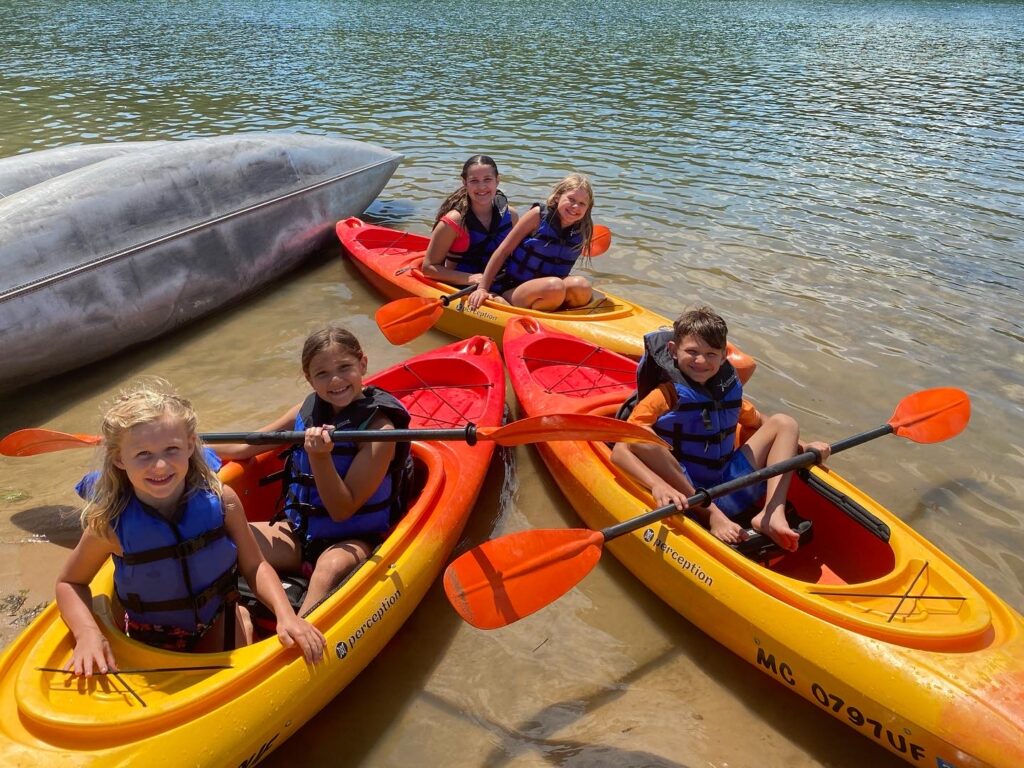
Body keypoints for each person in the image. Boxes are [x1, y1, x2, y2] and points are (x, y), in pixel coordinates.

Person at [56, 382, 326, 677]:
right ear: (119, 459)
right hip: (155, 639)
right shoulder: (110, 524)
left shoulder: (222, 501)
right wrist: (88, 635)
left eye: (171, 449)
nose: (160, 466)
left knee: (239, 637)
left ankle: (245, 619)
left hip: (218, 620)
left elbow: (255, 564)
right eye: (143, 454)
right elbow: (70, 583)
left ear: (190, 446)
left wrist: (285, 615)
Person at [216, 326, 412, 617]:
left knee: (328, 569)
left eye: (345, 367)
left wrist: (320, 458)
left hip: (352, 539)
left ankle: (301, 631)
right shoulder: (306, 410)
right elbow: (248, 444)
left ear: (363, 364)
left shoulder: (380, 431)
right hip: (297, 533)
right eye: (322, 373)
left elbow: (342, 510)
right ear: (308, 378)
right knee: (224, 538)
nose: (335, 380)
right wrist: (189, 448)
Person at [610, 306, 831, 552]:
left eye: (711, 353)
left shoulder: (727, 395)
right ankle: (712, 517)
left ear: (724, 355)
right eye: (692, 352)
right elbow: (621, 449)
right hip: (689, 497)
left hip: (728, 484)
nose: (701, 361)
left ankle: (771, 513)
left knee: (785, 422)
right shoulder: (665, 395)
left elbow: (761, 423)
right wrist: (656, 485)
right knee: (641, 438)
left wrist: (801, 447)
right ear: (673, 350)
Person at [467, 173, 596, 312]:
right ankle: (503, 299)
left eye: (582, 203)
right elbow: (503, 251)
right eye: (571, 199)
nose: (575, 206)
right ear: (558, 197)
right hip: (514, 287)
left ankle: (562, 317)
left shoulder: (584, 229)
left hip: (549, 291)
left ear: (587, 208)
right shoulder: (537, 216)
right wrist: (482, 288)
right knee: (555, 287)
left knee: (581, 286)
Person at [421, 154, 519, 287]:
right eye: (474, 181)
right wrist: (470, 278)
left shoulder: (511, 215)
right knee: (500, 300)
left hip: (500, 281)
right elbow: (428, 268)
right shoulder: (453, 222)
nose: (481, 187)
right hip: (464, 286)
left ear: (497, 180)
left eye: (487, 179)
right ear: (464, 183)